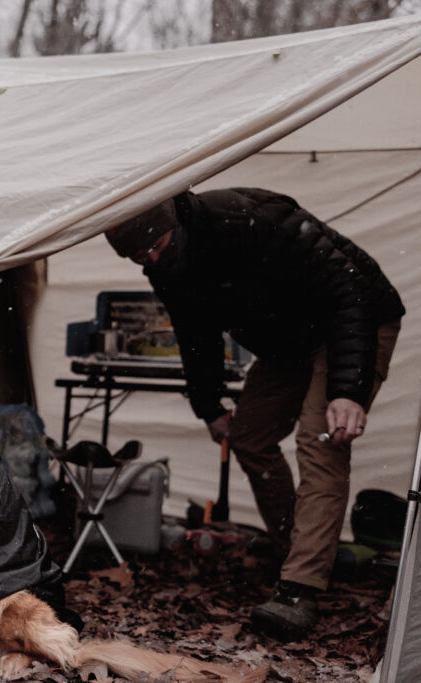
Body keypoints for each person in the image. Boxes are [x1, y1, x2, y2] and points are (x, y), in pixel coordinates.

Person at [105, 187, 404, 641]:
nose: (150, 260)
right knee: (247, 435)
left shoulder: (252, 220)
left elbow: (348, 290)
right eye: (138, 257)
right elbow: (194, 332)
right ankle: (296, 551)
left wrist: (347, 390)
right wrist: (209, 407)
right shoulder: (163, 260)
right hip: (288, 340)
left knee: (319, 441)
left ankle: (300, 587)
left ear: (173, 225)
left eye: (155, 247)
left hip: (356, 319)